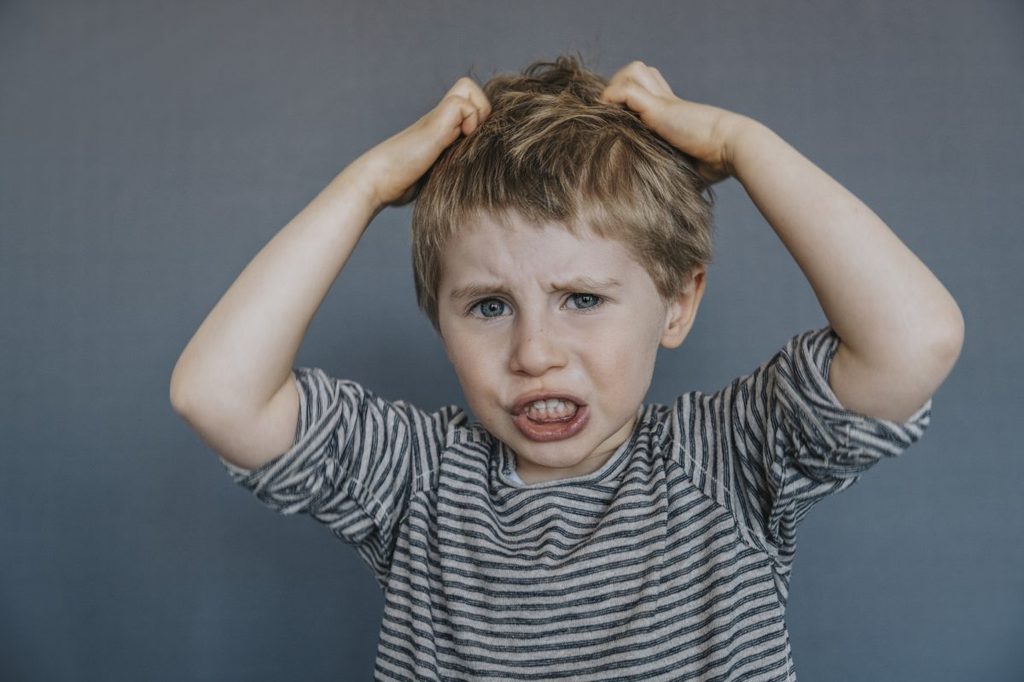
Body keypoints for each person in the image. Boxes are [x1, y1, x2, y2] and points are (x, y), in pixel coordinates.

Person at [170, 55, 963, 680]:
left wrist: (739, 143)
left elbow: (914, 341)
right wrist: (366, 186)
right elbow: (218, 394)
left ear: (678, 304)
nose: (534, 353)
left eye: (581, 298)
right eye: (489, 306)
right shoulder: (418, 481)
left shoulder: (728, 459)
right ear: (439, 318)